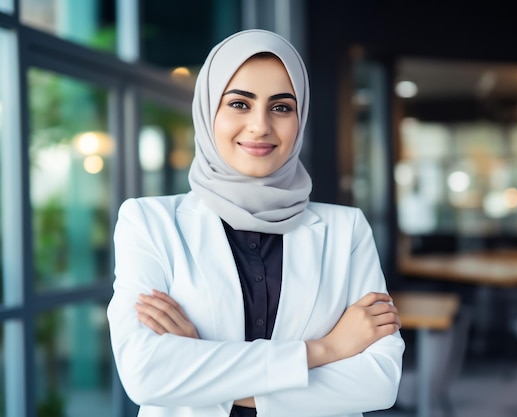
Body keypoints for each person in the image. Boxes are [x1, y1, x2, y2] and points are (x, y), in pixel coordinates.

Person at [107, 29, 405, 417]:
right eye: (239, 104)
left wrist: (202, 370)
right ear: (208, 109)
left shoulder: (346, 229)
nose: (261, 125)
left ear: (301, 118)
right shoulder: (149, 222)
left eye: (281, 107)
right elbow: (145, 374)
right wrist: (326, 350)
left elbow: (379, 382)